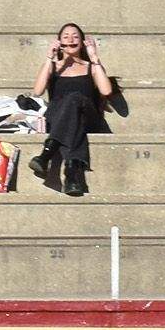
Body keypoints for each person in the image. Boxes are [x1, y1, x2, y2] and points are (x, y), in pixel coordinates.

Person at [30, 22, 114, 198]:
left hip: (89, 116)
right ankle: (72, 176)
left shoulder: (90, 66)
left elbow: (106, 90)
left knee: (74, 99)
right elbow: (37, 91)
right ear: (59, 41)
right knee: (73, 121)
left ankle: (48, 152)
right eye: (65, 36)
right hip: (60, 118)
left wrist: (94, 57)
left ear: (82, 41)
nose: (70, 39)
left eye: (75, 36)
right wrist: (49, 58)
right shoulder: (53, 67)